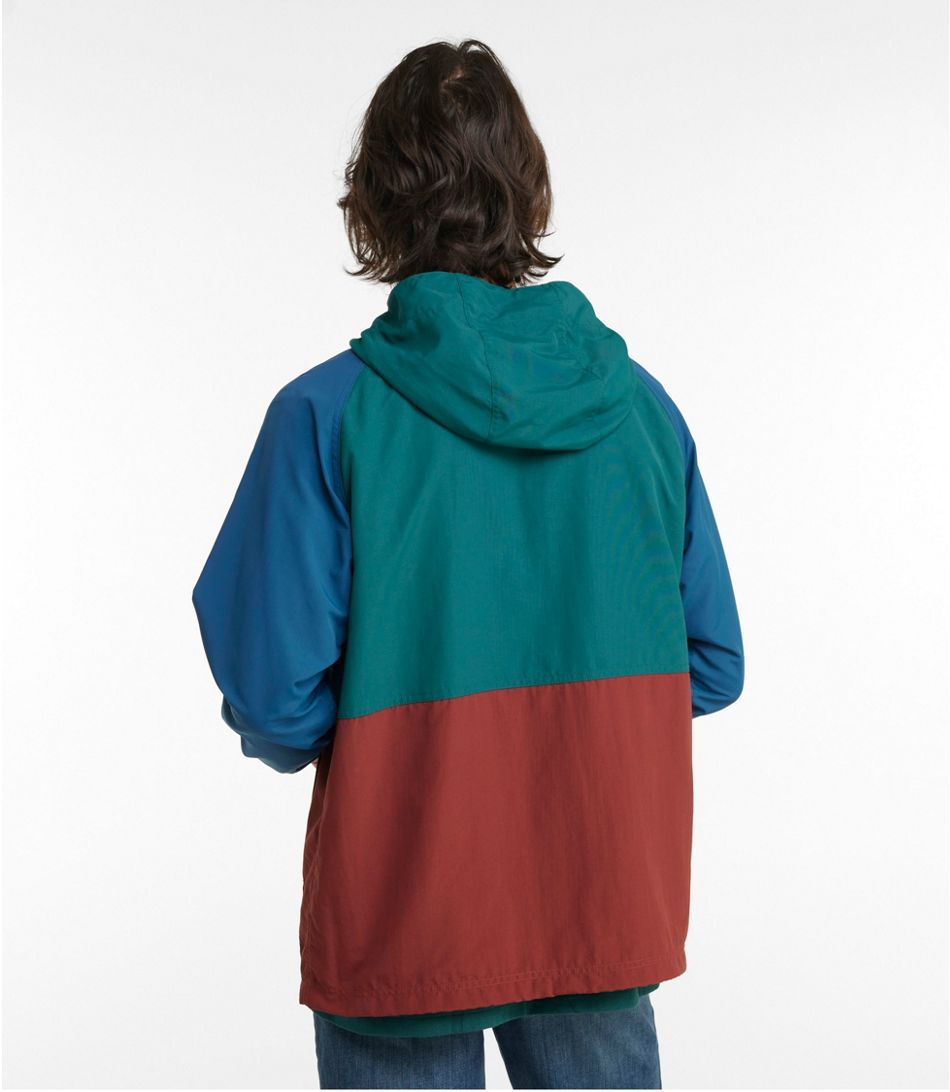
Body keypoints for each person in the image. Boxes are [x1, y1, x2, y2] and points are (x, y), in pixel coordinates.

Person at [192, 38, 744, 1091]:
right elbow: (711, 665)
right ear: (527, 192)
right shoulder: (642, 412)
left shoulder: (325, 416)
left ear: (373, 200)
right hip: (598, 903)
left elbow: (273, 697)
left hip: (406, 903)